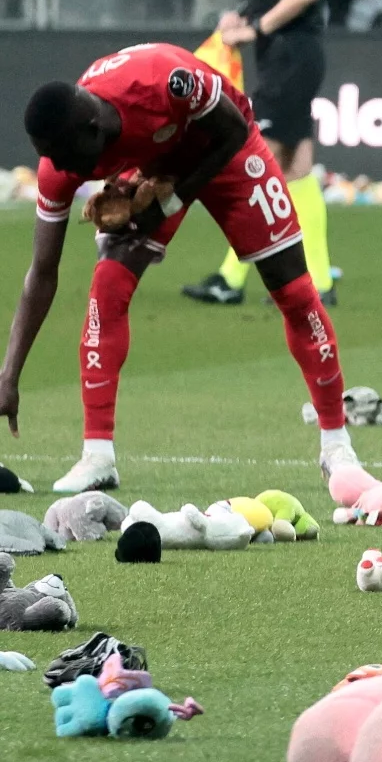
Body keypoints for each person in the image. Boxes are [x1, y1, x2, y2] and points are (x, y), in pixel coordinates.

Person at [3, 43, 353, 493]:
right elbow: (41, 273)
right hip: (155, 160)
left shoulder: (165, 82)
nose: (62, 170)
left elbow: (228, 132)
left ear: (92, 129)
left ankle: (336, 445)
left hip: (227, 144)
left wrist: (167, 202)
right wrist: (9, 376)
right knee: (107, 283)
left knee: (294, 292)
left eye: (66, 157)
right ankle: (97, 456)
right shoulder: (60, 161)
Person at [183, 0, 336, 308]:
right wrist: (243, 16)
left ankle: (233, 279)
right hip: (286, 54)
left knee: (255, 169)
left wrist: (259, 27)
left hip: (290, 54)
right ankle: (319, 283)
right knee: (296, 171)